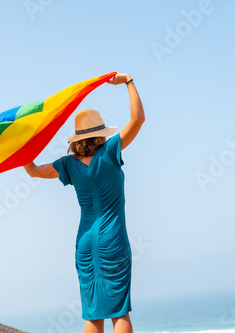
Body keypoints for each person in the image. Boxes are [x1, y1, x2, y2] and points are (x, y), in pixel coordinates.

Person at [23, 73, 145, 333]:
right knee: (118, 310)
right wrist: (129, 81)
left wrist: (20, 147)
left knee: (93, 313)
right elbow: (138, 119)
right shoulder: (111, 152)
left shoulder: (68, 165)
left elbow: (32, 170)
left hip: (86, 243)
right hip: (113, 239)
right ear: (100, 134)